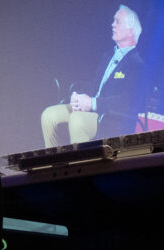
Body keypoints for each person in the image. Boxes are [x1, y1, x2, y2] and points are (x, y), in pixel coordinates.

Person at [40, 5, 147, 148]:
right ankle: (55, 162)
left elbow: (129, 101)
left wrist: (93, 103)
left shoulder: (136, 64)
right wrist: (77, 96)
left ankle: (81, 166)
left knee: (77, 119)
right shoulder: (108, 55)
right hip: (92, 110)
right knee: (49, 115)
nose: (112, 24)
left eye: (117, 21)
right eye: (113, 20)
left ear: (130, 30)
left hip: (111, 117)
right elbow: (95, 85)